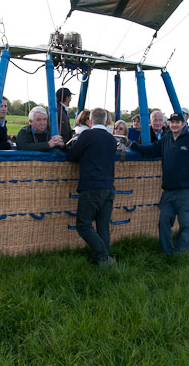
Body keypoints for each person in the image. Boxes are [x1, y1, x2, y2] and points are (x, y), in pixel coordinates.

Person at [131, 112, 189, 255]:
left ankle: (180, 254)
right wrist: (132, 145)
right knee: (164, 222)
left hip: (186, 191)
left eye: (177, 122)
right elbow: (150, 151)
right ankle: (167, 252)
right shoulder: (166, 139)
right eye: (172, 122)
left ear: (183, 124)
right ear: (169, 124)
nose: (174, 124)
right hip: (168, 191)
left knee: (186, 224)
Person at [67, 107, 118, 266]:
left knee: (83, 225)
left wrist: (63, 147)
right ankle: (103, 259)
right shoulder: (112, 139)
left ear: (90, 120)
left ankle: (102, 256)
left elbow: (73, 156)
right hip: (108, 187)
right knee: (103, 226)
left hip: (91, 186)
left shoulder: (87, 135)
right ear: (105, 120)